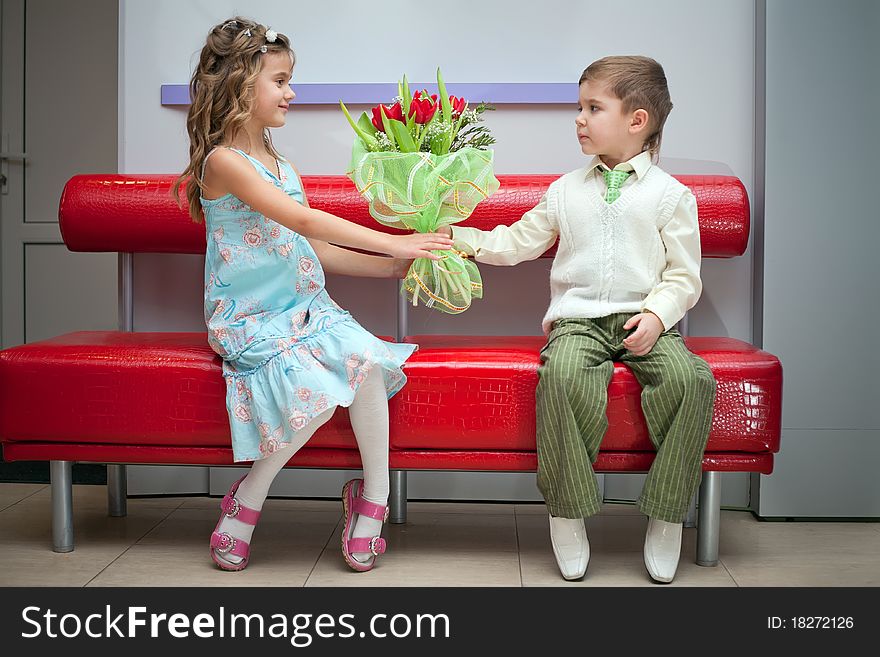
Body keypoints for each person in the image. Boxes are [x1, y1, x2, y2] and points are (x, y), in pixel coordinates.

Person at [172, 17, 453, 572]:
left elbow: (312, 251)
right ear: (238, 84)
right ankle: (248, 497)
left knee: (367, 363)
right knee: (313, 389)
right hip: (251, 318)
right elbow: (306, 220)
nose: (290, 92)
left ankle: (373, 500)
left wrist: (396, 266)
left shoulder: (282, 165)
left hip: (306, 310)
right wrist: (398, 238)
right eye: (279, 80)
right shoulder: (225, 163)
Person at [442, 56, 716, 582]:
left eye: (594, 108)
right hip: (578, 322)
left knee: (691, 380)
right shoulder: (565, 190)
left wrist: (658, 317)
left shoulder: (671, 196)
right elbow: (517, 241)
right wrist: (461, 239)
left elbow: (684, 277)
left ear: (637, 120)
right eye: (580, 107)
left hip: (645, 321)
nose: (580, 119)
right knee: (563, 377)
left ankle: (665, 516)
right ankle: (566, 513)